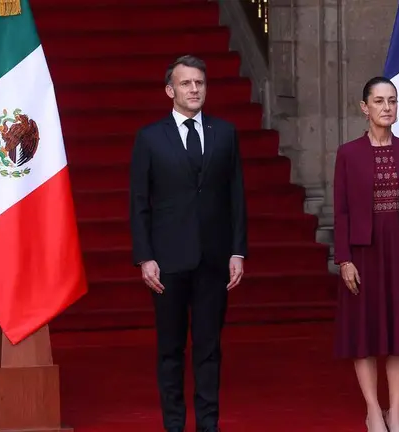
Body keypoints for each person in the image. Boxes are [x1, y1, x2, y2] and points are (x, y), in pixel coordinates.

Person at [129, 54, 248, 432]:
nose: (194, 89)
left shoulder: (224, 133)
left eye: (199, 82)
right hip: (167, 261)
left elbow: (236, 196)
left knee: (209, 348)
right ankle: (174, 425)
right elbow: (139, 203)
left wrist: (237, 250)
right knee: (171, 350)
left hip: (214, 259)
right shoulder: (150, 138)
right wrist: (145, 257)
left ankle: (208, 425)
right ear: (170, 90)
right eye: (185, 83)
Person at [333, 76, 399, 432]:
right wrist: (344, 259)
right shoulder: (348, 153)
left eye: (392, 100)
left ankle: (396, 413)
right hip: (363, 255)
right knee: (364, 337)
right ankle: (374, 411)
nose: (386, 107)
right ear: (365, 107)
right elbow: (341, 211)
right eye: (379, 101)